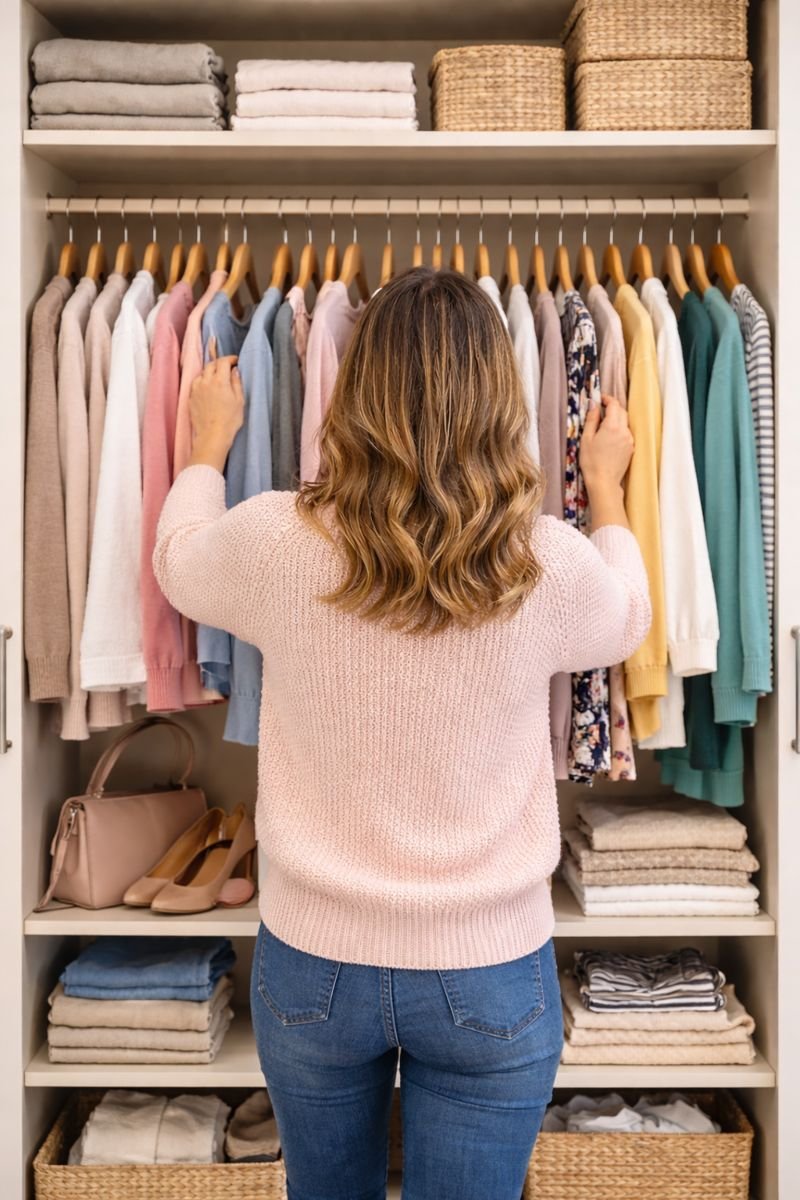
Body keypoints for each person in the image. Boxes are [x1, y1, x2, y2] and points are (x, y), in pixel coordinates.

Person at [154, 268, 650, 1200]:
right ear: (499, 395)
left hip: (314, 958)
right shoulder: (542, 559)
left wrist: (202, 451)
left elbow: (179, 565)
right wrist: (608, 487)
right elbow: (626, 619)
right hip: (489, 964)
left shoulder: (277, 541)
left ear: (355, 389)